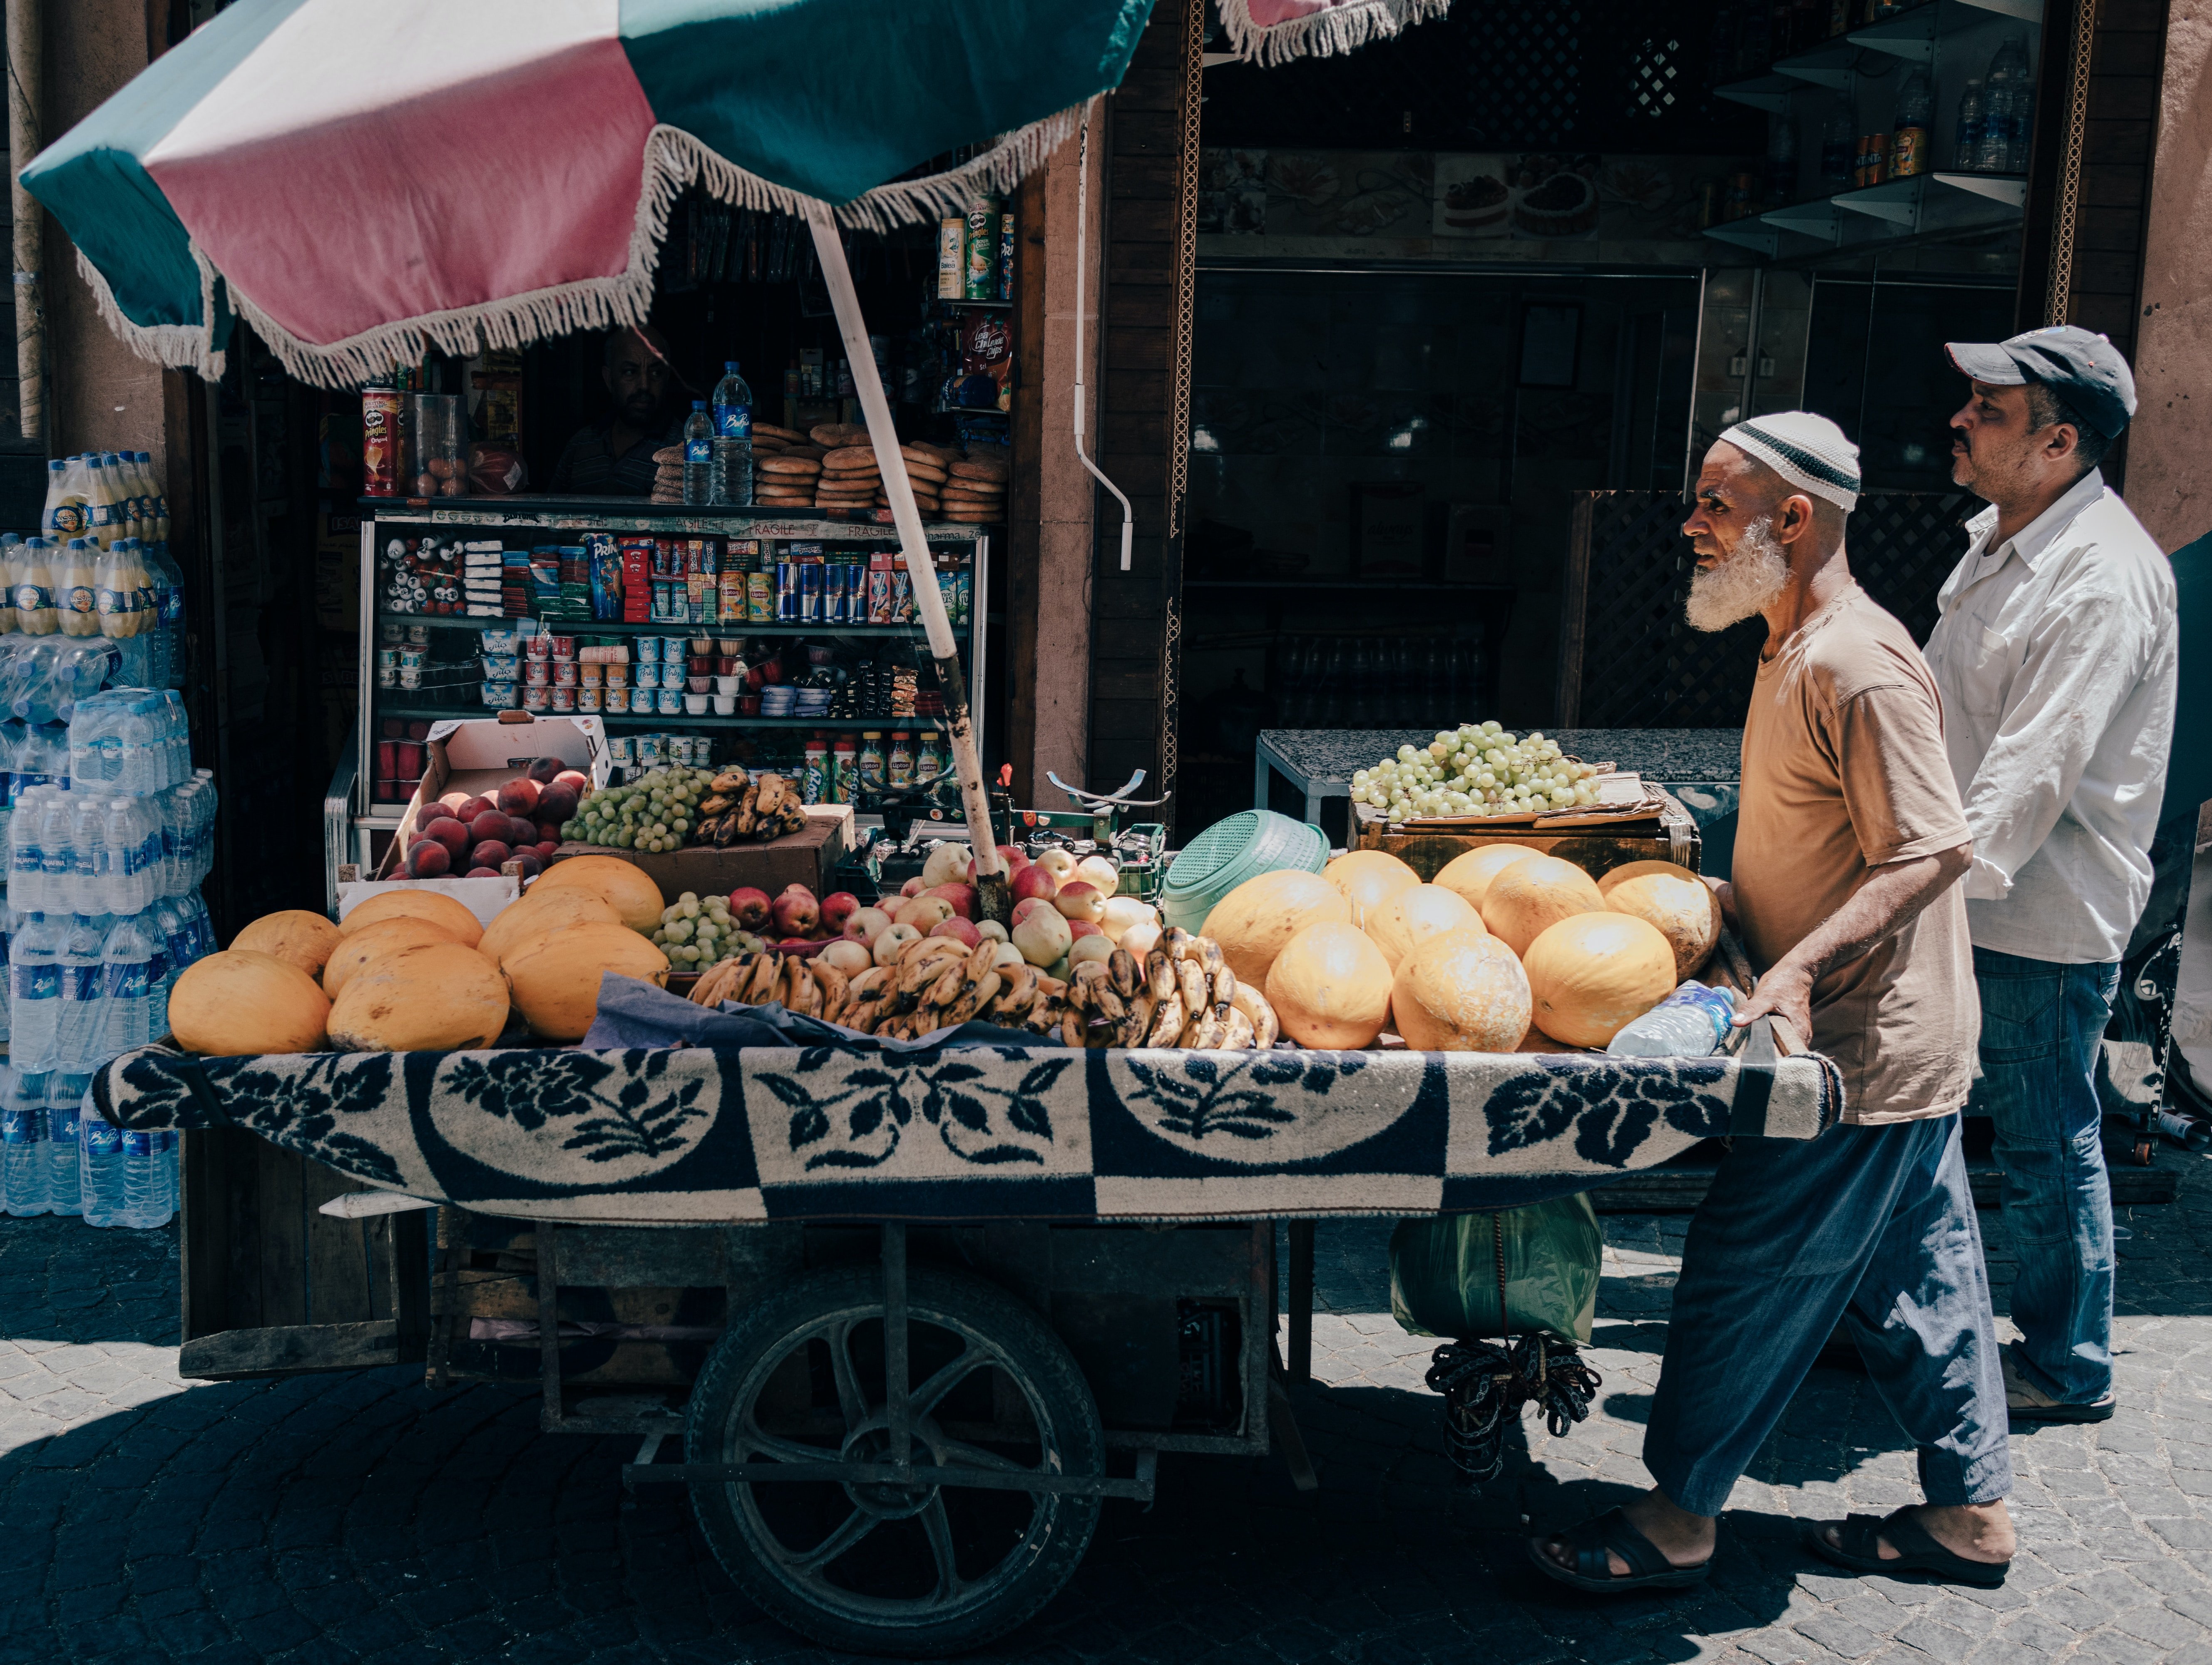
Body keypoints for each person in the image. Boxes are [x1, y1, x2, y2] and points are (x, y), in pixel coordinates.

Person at [1532, 412, 2014, 1594]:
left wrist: (1793, 969)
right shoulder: (1789, 642)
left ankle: (1679, 1519)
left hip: (1849, 1048)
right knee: (1922, 1277)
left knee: (1746, 1266)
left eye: (1712, 503)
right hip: (1892, 1045)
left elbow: (1930, 851)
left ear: (1790, 520)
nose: (1689, 526)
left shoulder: (1855, 660)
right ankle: (1970, 1518)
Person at [1923, 327, 2178, 1424]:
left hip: (2036, 914)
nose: (1960, 419)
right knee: (1916, 1126)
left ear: (2057, 442)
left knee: (2039, 1143)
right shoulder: (1999, 538)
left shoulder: (2101, 578)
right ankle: (1903, 1318)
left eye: (1989, 408)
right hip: (1959, 892)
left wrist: (1909, 895)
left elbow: (2030, 771)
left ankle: (2067, 1365)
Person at [548, 324, 685, 496]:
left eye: (656, 373)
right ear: (609, 379)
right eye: (630, 372)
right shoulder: (581, 445)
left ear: (667, 379)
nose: (644, 385)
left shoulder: (684, 449)